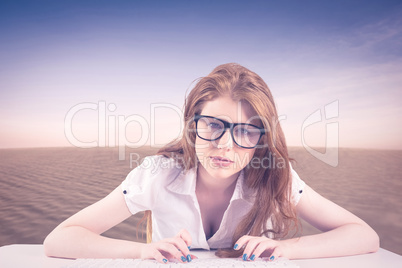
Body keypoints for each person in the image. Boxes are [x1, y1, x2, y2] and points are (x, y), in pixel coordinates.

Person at [44, 63, 379, 264]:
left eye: (246, 131)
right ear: (193, 124)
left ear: (262, 137)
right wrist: (142, 252)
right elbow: (60, 239)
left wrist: (282, 248)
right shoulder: (157, 174)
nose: (224, 145)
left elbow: (363, 236)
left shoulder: (276, 177)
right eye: (213, 125)